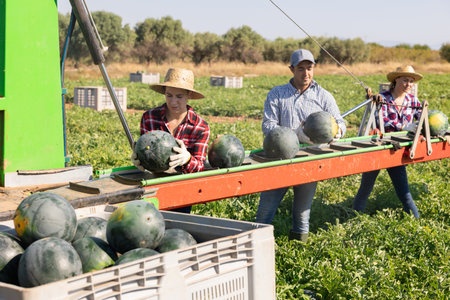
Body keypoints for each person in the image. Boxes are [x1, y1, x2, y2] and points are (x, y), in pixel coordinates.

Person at [256, 49, 346, 242]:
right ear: (291, 69)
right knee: (265, 212)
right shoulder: (277, 94)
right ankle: (258, 247)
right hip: (279, 158)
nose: (306, 73)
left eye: (309, 68)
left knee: (302, 214)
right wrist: (294, 134)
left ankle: (299, 250)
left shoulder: (323, 96)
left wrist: (338, 131)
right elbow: (268, 126)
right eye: (300, 68)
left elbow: (339, 121)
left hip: (309, 161)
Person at [131, 68, 210, 213]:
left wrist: (187, 159)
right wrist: (139, 158)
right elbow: (146, 151)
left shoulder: (200, 127)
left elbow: (200, 168)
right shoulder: (149, 117)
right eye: (169, 95)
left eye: (179, 96)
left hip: (183, 189)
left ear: (189, 95)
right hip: (153, 185)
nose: (173, 102)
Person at [353, 65, 422, 218]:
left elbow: (423, 119)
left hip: (397, 150)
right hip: (378, 149)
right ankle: (354, 220)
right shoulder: (382, 98)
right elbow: (380, 119)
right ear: (396, 80)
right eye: (405, 80)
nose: (408, 85)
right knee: (365, 189)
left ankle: (416, 223)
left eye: (411, 81)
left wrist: (423, 128)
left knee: (404, 192)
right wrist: (406, 127)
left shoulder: (413, 100)